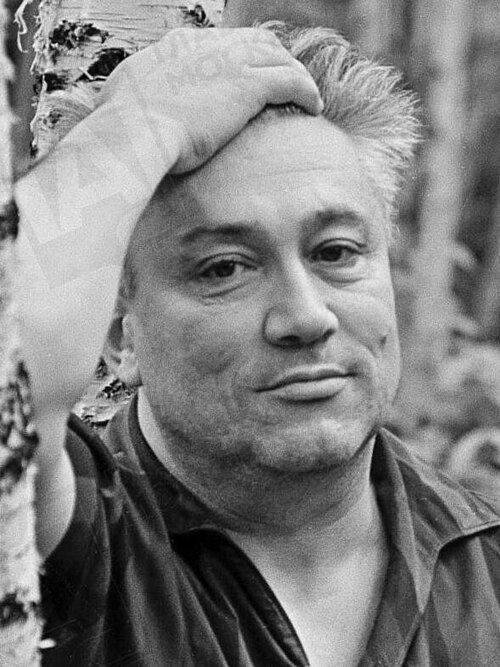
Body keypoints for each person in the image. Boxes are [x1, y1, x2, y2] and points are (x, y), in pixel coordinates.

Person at [16, 21, 500, 667]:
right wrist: (136, 128)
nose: (305, 316)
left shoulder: (487, 567)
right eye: (224, 268)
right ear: (118, 335)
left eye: (336, 252)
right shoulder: (72, 551)